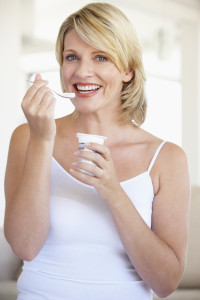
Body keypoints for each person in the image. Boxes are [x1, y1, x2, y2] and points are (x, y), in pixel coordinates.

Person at [4, 2, 190, 299]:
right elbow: (25, 245)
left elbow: (165, 284)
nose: (82, 72)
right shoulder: (28, 137)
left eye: (101, 57)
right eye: (72, 57)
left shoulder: (167, 159)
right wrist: (41, 141)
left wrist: (113, 191)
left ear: (128, 70)